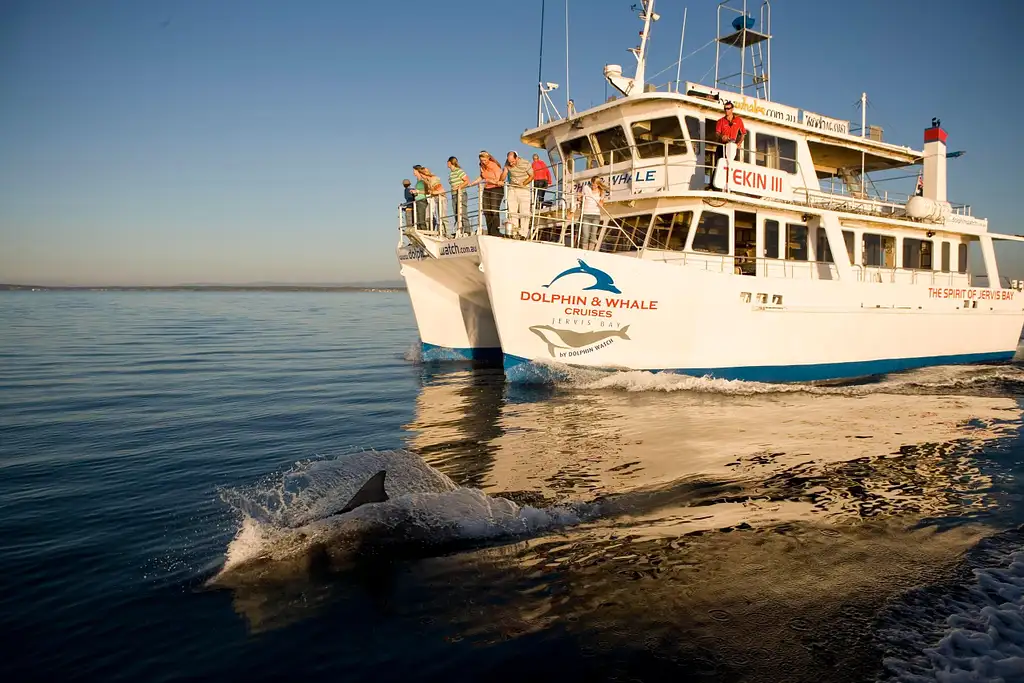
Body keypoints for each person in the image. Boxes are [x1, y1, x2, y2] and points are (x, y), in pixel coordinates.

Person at [467, 151, 504, 236]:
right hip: (487, 189)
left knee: (494, 210)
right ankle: (490, 231)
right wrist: (472, 183)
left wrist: (488, 180)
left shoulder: (494, 165)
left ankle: (496, 231)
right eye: (482, 160)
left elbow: (498, 179)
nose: (483, 162)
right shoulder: (482, 166)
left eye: (485, 160)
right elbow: (482, 176)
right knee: (486, 210)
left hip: (496, 189)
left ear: (488, 158)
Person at [500, 151, 534, 239]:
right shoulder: (507, 163)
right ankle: (513, 232)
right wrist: (501, 179)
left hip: (524, 189)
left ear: (517, 158)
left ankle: (523, 234)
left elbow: (532, 176)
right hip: (512, 188)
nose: (511, 163)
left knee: (524, 212)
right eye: (509, 161)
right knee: (512, 211)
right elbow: (504, 173)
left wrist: (523, 183)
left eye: (513, 161)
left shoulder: (525, 163)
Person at [714, 101, 746, 167]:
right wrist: (722, 136)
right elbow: (717, 134)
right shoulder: (720, 121)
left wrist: (738, 144)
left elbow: (743, 134)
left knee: (732, 166)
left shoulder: (738, 120)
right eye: (725, 109)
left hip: (733, 146)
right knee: (719, 166)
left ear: (732, 109)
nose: (726, 110)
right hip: (722, 146)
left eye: (728, 109)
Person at [576, 177, 604, 250]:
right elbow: (581, 198)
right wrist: (579, 197)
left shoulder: (601, 191)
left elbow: (602, 202)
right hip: (586, 214)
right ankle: (584, 250)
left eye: (595, 184)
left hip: (596, 215)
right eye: (592, 184)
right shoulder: (586, 188)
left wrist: (601, 203)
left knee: (593, 235)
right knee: (585, 234)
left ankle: (591, 251)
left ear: (598, 184)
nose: (593, 186)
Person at [418, 166, 448, 234]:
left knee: (443, 217)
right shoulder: (428, 182)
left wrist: (433, 192)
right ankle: (442, 232)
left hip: (442, 199)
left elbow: (442, 191)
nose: (422, 177)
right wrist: (418, 192)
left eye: (421, 175)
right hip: (437, 199)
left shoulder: (433, 180)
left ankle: (447, 232)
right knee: (439, 217)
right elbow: (428, 192)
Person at [447, 156, 470, 236]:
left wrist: (458, 187)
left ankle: (467, 230)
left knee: (462, 212)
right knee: (456, 213)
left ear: (450, 162)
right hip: (453, 194)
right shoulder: (451, 173)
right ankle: (459, 229)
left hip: (461, 193)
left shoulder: (459, 171)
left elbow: (467, 180)